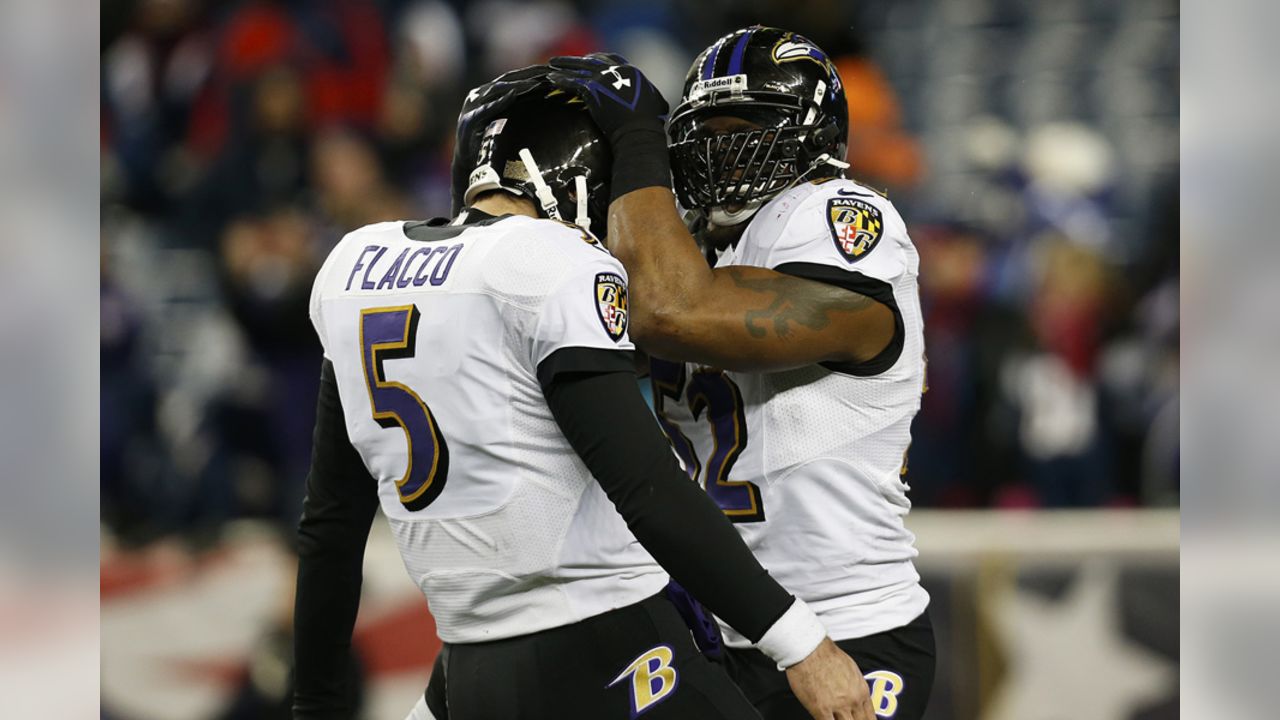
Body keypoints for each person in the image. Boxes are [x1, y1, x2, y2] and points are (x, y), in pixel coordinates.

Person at [292, 67, 876, 720]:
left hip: (469, 667)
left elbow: (331, 528)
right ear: (571, 184)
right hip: (609, 644)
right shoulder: (546, 264)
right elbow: (647, 489)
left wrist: (313, 707)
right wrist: (802, 645)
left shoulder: (355, 267)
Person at [546, 26, 935, 720]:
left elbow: (673, 312)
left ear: (811, 134)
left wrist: (635, 139)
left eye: (744, 128)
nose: (722, 151)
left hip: (849, 628)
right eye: (706, 132)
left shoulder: (833, 216)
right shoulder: (691, 242)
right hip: (718, 625)